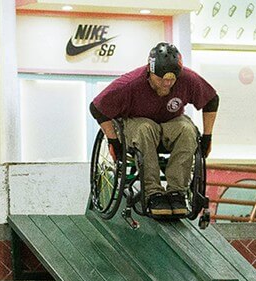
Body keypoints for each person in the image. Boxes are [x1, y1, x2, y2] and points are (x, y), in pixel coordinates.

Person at [89, 42, 219, 218]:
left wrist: (207, 136)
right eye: (162, 79)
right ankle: (153, 193)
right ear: (150, 72)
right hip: (137, 124)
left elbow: (211, 99)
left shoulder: (188, 79)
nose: (167, 84)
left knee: (187, 130)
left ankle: (177, 192)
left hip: (170, 123)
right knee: (145, 128)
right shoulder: (130, 84)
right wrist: (113, 141)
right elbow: (97, 108)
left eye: (172, 79)